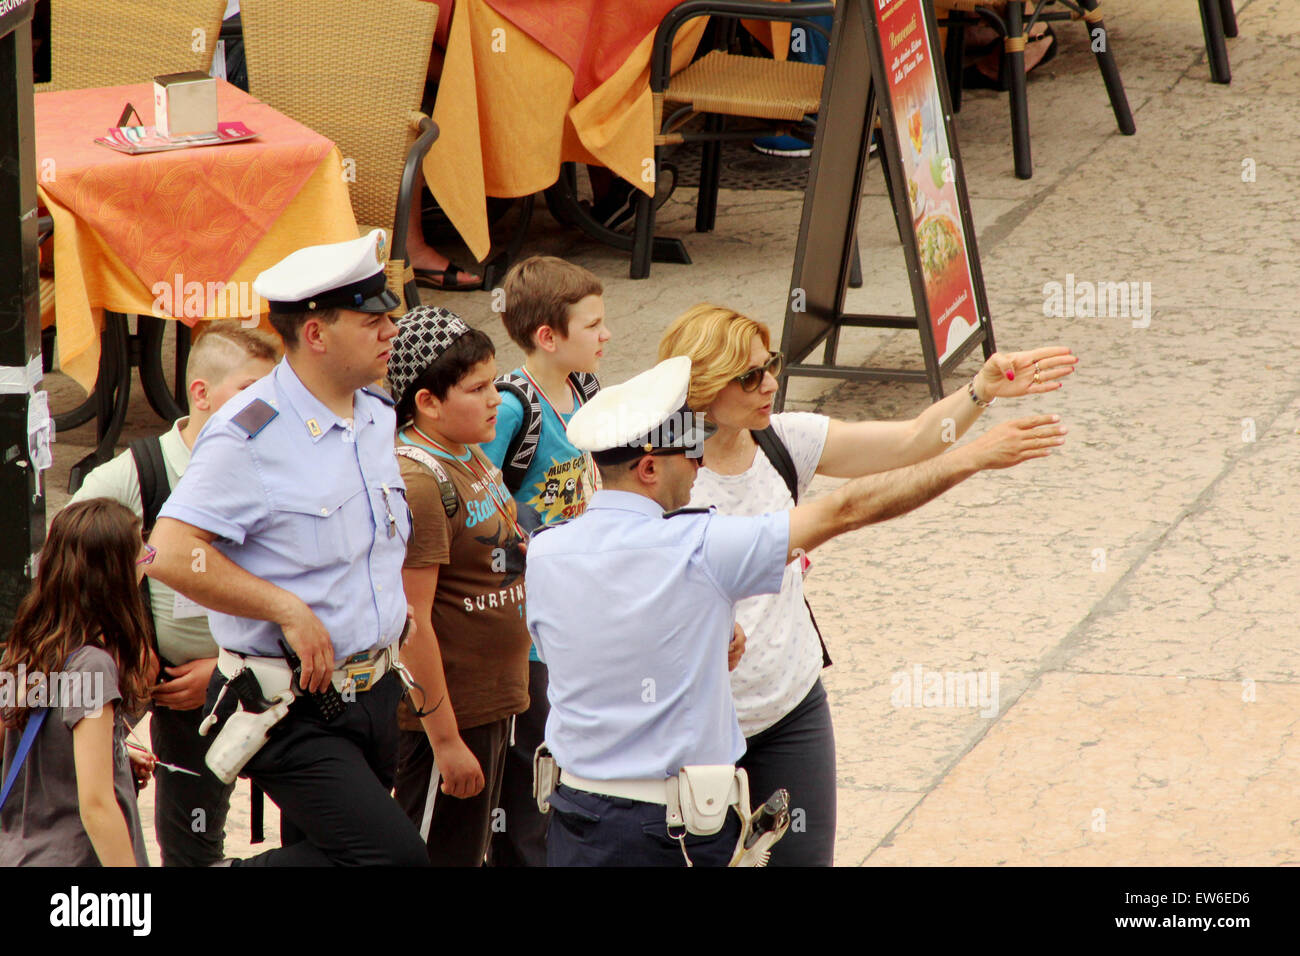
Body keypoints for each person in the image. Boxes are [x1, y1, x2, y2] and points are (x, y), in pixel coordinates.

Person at [526, 355, 1067, 866]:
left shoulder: (546, 551)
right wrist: (972, 456)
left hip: (578, 822)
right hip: (673, 832)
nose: (697, 466)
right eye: (689, 455)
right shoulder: (701, 545)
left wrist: (703, 629)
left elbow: (598, 651)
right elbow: (848, 508)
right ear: (648, 467)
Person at [657, 303, 1077, 865]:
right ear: (704, 387)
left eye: (771, 365)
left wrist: (981, 389)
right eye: (750, 375)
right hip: (698, 728)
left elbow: (912, 441)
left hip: (791, 709)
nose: (770, 384)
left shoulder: (784, 441)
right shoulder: (659, 475)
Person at [146, 229, 429, 867]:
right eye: (372, 319)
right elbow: (163, 552)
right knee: (393, 860)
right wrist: (285, 609)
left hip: (375, 692)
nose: (391, 329)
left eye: (390, 315)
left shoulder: (376, 413)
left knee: (333, 855)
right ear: (316, 334)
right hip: (290, 705)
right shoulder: (249, 433)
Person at [69, 322, 277, 867]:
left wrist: (225, 665)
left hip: (276, 687)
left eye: (274, 394)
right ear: (202, 394)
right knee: (191, 850)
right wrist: (125, 644)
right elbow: (66, 564)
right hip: (182, 701)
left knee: (318, 839)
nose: (267, 408)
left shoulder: (278, 468)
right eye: (251, 391)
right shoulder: (139, 471)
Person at [385, 306, 532, 866]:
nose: (497, 397)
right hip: (449, 721)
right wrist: (445, 742)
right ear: (427, 402)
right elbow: (411, 623)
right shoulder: (420, 480)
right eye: (478, 387)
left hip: (493, 705)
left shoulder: (468, 451)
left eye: (493, 381)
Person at [479, 255, 610, 867]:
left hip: (578, 606)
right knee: (531, 763)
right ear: (547, 337)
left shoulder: (587, 389)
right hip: (527, 623)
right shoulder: (511, 407)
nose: (607, 335)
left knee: (572, 754)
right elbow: (478, 492)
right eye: (593, 325)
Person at [0, 499, 157, 867]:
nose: (147, 562)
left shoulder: (28, 651)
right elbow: (97, 806)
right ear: (115, 576)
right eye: (142, 556)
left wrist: (111, 751)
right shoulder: (94, 666)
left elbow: (20, 737)